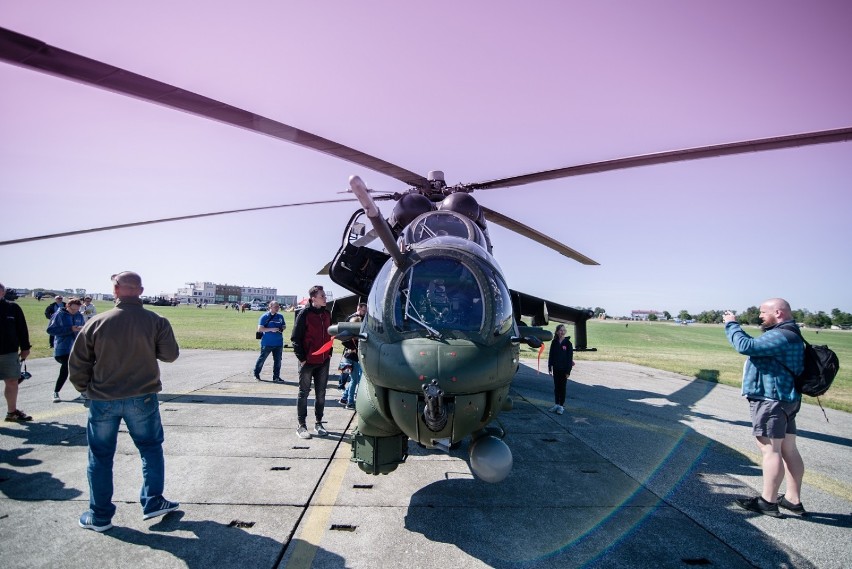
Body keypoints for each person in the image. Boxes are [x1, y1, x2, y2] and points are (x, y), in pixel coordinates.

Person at [69, 271, 181, 532]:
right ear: (140, 291)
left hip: (102, 399)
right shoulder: (156, 320)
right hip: (142, 398)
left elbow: (78, 363)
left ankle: (100, 516)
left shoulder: (97, 322)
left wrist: (86, 389)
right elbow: (170, 355)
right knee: (150, 448)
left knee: (100, 456)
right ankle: (153, 500)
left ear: (115, 290)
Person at [724, 298, 806, 518]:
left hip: (772, 400)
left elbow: (745, 346)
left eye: (762, 312)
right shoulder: (791, 333)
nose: (760, 315)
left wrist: (731, 324)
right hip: (787, 399)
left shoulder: (781, 335)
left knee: (770, 451)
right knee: (789, 449)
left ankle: (768, 502)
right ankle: (792, 499)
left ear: (778, 313)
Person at [290, 285, 332, 439]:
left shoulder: (327, 314)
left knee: (321, 394)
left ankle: (319, 423)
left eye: (325, 296)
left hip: (323, 361)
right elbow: (295, 338)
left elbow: (329, 335)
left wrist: (329, 354)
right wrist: (302, 358)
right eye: (322, 296)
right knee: (304, 393)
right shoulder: (304, 314)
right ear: (313, 298)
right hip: (307, 362)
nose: (325, 298)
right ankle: (301, 426)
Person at [1, 282, 33, 423]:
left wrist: (25, 348)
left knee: (12, 381)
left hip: (9, 352)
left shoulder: (12, 308)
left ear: (3, 292)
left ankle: (12, 412)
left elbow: (22, 329)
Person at [47, 297, 86, 402]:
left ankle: (83, 393)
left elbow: (84, 329)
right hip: (62, 348)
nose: (75, 311)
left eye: (77, 309)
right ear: (67, 306)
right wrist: (69, 329)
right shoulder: (59, 315)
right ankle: (56, 392)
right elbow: (50, 330)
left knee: (75, 368)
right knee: (67, 368)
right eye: (73, 309)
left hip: (75, 347)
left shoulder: (79, 316)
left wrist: (82, 330)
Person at [339, 303, 367, 409]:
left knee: (354, 379)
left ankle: (344, 398)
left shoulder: (359, 321)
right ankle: (350, 402)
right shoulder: (352, 320)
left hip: (350, 357)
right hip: (351, 357)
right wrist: (353, 348)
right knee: (354, 380)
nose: (365, 313)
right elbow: (343, 339)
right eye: (363, 311)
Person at [253, 301, 285, 382]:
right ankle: (256, 374)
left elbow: (284, 325)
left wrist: (282, 328)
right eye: (275, 307)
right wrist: (271, 329)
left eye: (278, 306)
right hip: (267, 343)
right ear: (270, 307)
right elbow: (260, 329)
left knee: (278, 361)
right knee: (262, 359)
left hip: (278, 343)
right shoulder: (264, 316)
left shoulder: (280, 316)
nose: (277, 308)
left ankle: (276, 377)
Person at [547, 324, 574, 415]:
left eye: (563, 330)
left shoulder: (568, 343)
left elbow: (570, 358)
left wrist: (568, 371)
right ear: (557, 332)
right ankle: (556, 404)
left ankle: (561, 406)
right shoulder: (554, 342)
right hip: (556, 368)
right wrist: (550, 366)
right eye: (560, 330)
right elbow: (551, 355)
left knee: (562, 388)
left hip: (564, 369)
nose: (562, 332)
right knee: (556, 388)